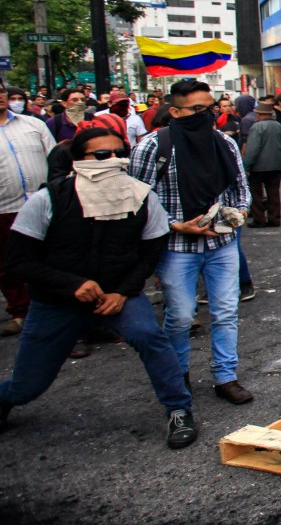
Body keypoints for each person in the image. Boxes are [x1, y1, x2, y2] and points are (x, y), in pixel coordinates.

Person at [0, 128, 197, 449]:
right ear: (79, 160)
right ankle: (6, 398)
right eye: (102, 156)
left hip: (119, 294)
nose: (115, 162)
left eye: (121, 154)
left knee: (149, 336)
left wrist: (123, 292)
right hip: (57, 300)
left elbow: (150, 253)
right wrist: (72, 285)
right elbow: (18, 261)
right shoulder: (47, 199)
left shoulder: (143, 197)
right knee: (27, 387)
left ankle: (178, 409)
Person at [129, 79, 254, 405]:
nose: (206, 114)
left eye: (209, 108)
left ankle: (225, 376)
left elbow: (241, 188)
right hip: (176, 248)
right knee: (181, 314)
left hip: (222, 245)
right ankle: (177, 373)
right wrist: (176, 225)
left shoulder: (224, 144)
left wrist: (237, 213)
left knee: (226, 311)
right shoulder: (152, 147)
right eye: (197, 109)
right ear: (174, 111)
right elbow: (137, 201)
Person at [0, 82, 56, 337]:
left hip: (43, 203)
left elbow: (55, 159)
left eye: (1, 91)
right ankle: (20, 311)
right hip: (4, 209)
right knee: (9, 263)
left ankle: (58, 313)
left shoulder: (33, 124)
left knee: (52, 258)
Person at [243, 100, 281, 228]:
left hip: (258, 166)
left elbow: (253, 148)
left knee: (256, 194)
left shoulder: (257, 127)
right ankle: (274, 218)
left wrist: (247, 166)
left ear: (260, 114)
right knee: (273, 193)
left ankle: (259, 219)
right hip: (275, 164)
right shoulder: (279, 126)